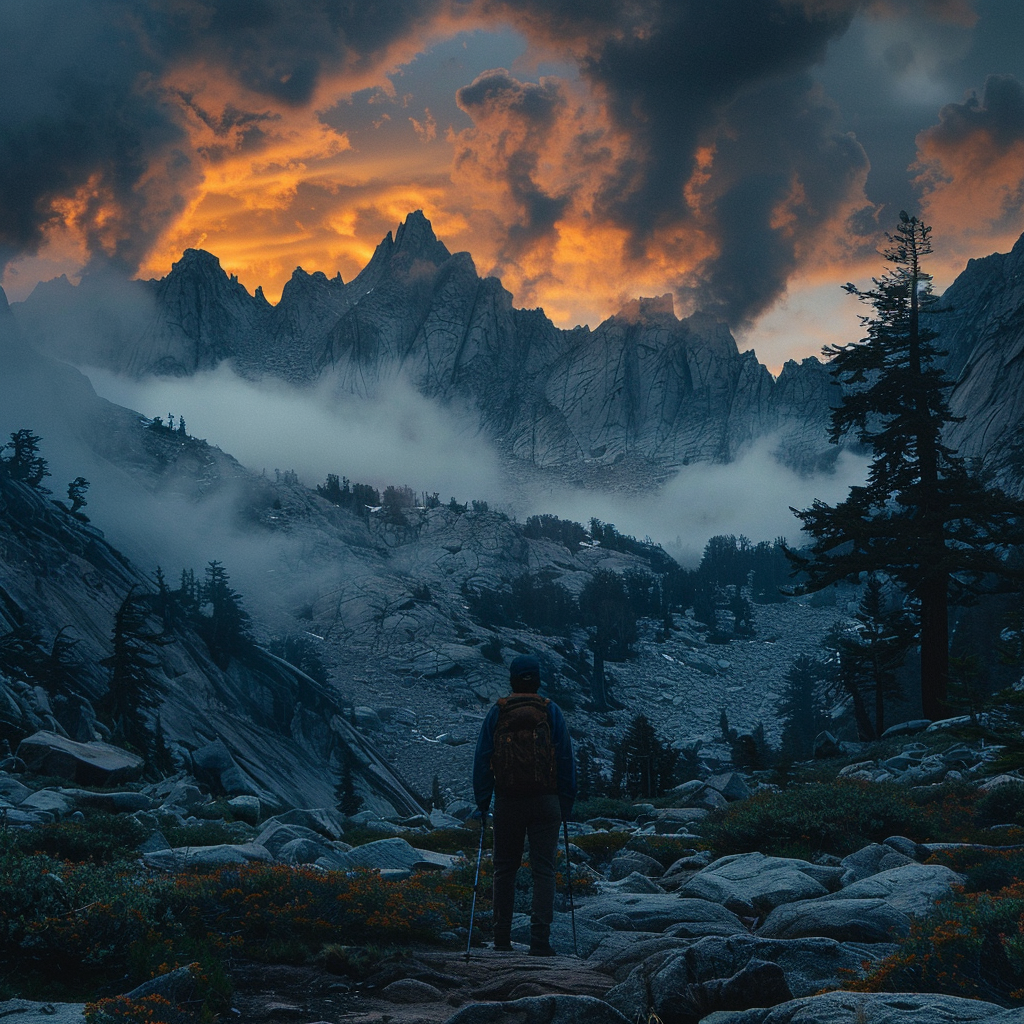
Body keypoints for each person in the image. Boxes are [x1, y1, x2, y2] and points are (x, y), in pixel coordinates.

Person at [473, 654, 576, 955]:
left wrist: (483, 801)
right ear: (538, 680)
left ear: (512, 680)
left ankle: (502, 939)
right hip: (547, 801)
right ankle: (540, 942)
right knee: (544, 870)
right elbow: (566, 759)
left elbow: (482, 758)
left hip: (508, 801)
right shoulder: (550, 711)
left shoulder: (498, 712)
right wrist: (566, 804)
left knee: (505, 869)